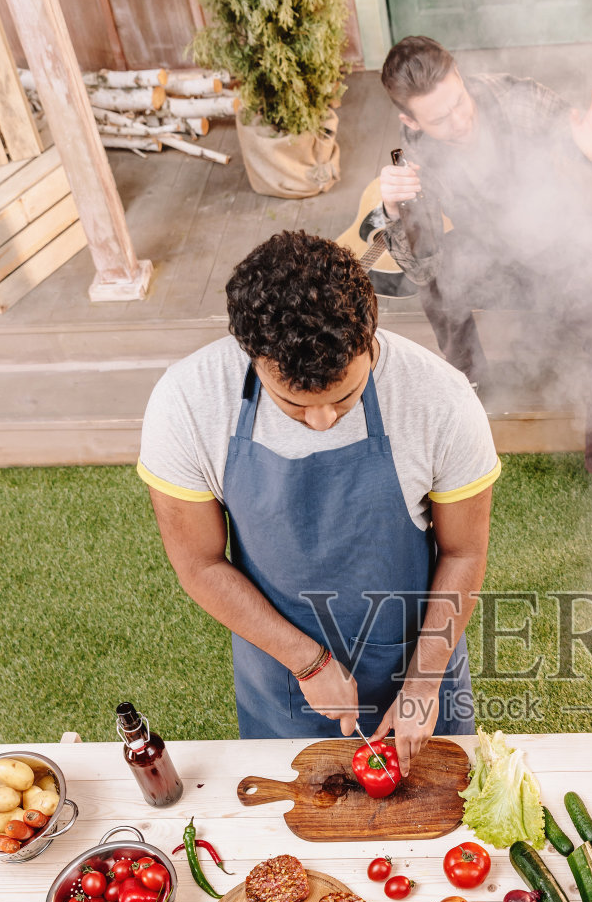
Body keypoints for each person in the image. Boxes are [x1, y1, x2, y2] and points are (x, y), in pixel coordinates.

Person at [137, 231, 499, 773]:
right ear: (252, 354)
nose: (323, 420)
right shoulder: (187, 403)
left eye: (344, 397)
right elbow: (199, 562)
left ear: (369, 337)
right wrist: (307, 663)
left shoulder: (441, 399)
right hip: (282, 672)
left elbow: (464, 553)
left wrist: (424, 680)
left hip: (421, 659)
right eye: (296, 404)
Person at [377, 35, 592, 537]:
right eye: (439, 119)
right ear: (411, 122)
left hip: (565, 250)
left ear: (460, 76)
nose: (459, 120)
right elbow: (420, 264)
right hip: (493, 260)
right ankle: (468, 385)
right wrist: (394, 212)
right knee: (436, 277)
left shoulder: (516, 98)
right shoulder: (410, 153)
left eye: (459, 101)